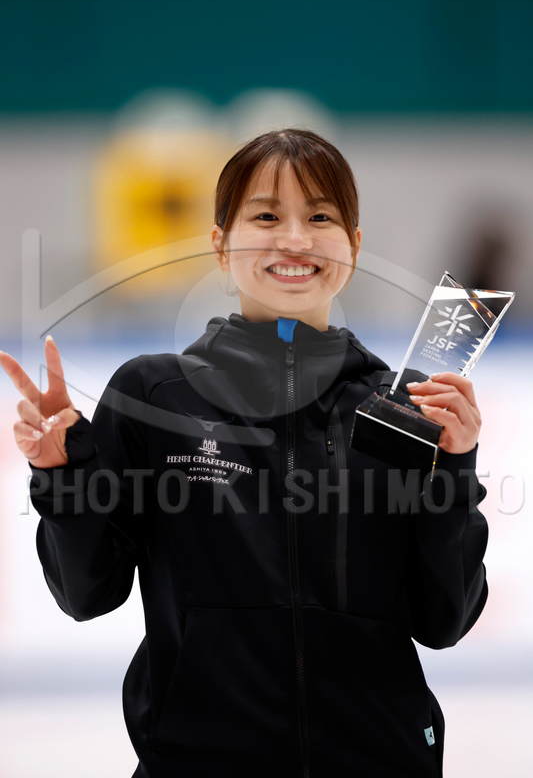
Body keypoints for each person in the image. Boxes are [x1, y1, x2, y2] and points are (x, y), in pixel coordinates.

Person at [0, 128, 488, 778]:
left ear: (354, 245)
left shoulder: (403, 409)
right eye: (265, 216)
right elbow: (87, 594)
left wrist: (454, 467)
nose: (295, 239)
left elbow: (444, 620)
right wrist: (63, 475)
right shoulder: (154, 396)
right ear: (220, 243)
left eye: (320, 217)